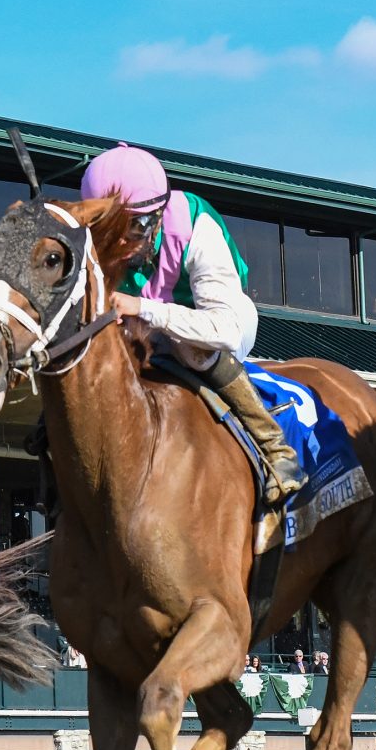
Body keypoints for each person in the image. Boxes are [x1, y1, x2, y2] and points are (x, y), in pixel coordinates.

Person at [82, 144, 303, 504]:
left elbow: (225, 328)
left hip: (216, 327)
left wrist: (141, 306)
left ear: (156, 216)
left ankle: (275, 448)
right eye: (107, 230)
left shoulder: (195, 226)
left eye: (132, 228)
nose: (119, 244)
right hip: (143, 330)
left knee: (191, 349)